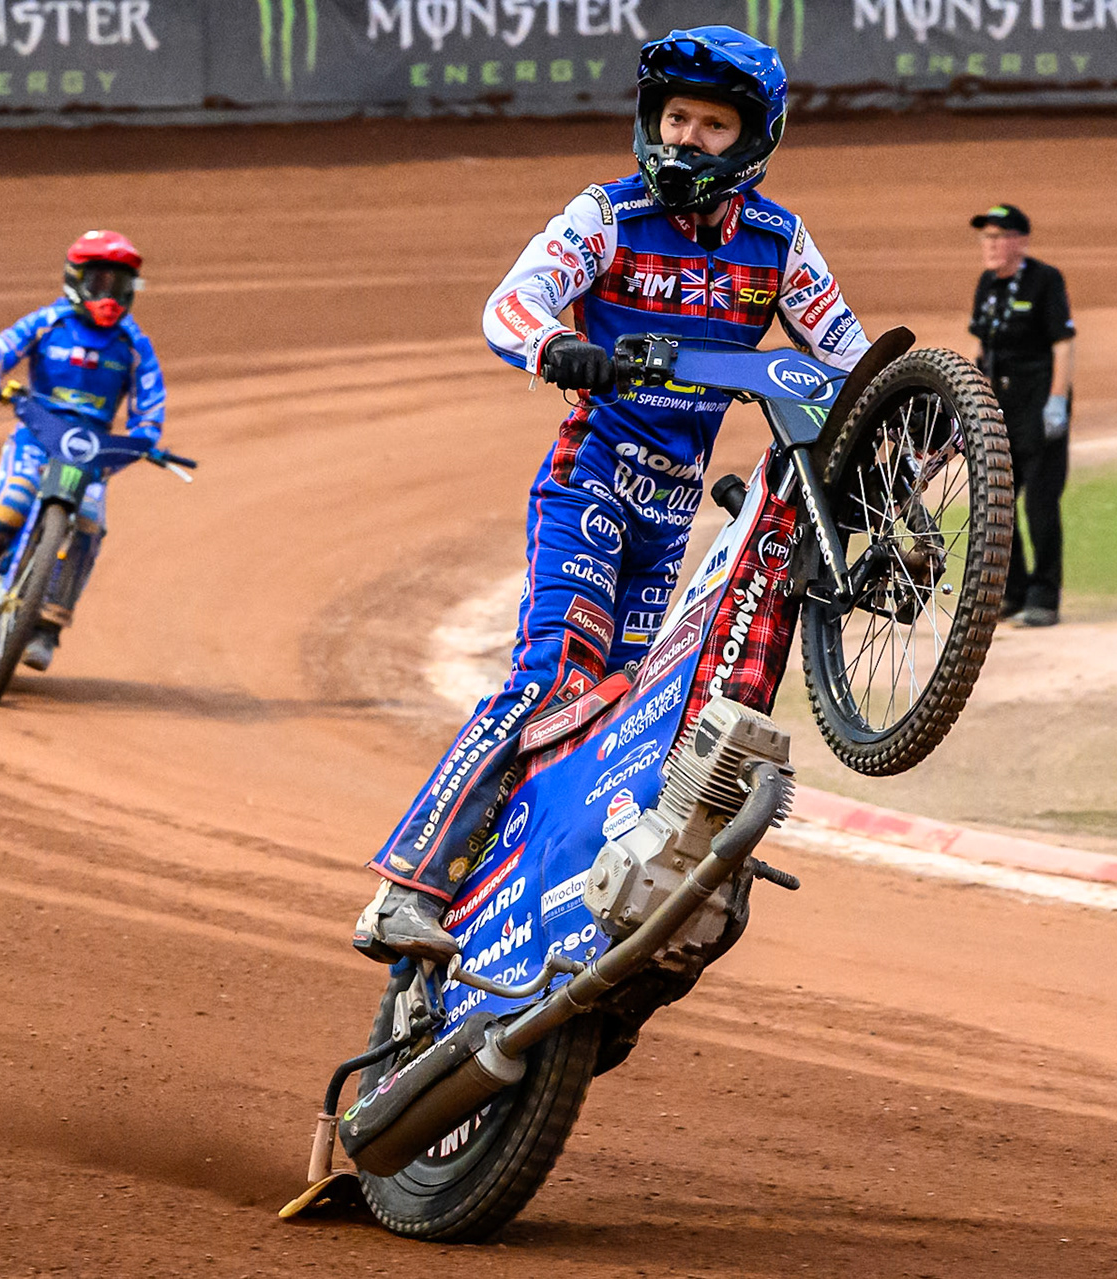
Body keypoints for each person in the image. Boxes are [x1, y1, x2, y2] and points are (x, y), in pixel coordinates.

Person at [354, 25, 872, 963]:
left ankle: (531, 908)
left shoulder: (778, 242)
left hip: (671, 515)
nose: (686, 138)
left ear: (753, 139)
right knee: (555, 676)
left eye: (712, 124)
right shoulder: (607, 214)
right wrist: (555, 344)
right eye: (675, 117)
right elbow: (511, 301)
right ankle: (405, 886)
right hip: (587, 479)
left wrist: (901, 428)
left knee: (621, 717)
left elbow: (850, 358)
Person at [0, 230, 166, 672]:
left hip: (92, 451)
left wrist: (145, 437)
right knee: (14, 498)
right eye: (100, 283)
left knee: (89, 522)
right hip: (38, 433)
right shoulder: (47, 322)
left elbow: (149, 405)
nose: (109, 297)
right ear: (76, 281)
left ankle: (48, 624)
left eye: (119, 285)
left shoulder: (133, 345)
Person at [968, 204, 1075, 627]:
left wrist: (1057, 401)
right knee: (999, 501)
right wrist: (973, 397)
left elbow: (1063, 344)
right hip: (1001, 406)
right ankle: (1011, 593)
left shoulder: (1045, 280)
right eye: (986, 237)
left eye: (999, 237)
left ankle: (1044, 596)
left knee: (1040, 504)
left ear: (1020, 241)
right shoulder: (987, 285)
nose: (991, 245)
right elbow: (982, 346)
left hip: (1039, 402)